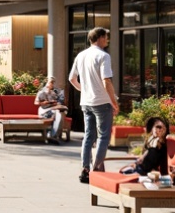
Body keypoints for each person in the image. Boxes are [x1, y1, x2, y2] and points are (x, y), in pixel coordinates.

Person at [68, 26, 118, 183]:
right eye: (106, 37)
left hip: (86, 102)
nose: (107, 40)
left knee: (89, 136)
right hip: (102, 102)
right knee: (103, 136)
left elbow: (72, 79)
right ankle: (96, 170)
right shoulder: (104, 56)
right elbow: (107, 81)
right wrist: (114, 102)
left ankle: (85, 169)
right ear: (101, 38)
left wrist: (84, 90)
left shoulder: (81, 55)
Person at [34, 75, 67, 144]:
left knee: (59, 114)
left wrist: (56, 104)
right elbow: (36, 103)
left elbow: (57, 101)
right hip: (44, 110)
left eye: (53, 83)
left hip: (52, 109)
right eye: (50, 83)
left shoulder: (54, 93)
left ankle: (53, 135)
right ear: (47, 83)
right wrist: (43, 102)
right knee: (57, 115)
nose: (52, 84)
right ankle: (53, 135)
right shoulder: (41, 92)